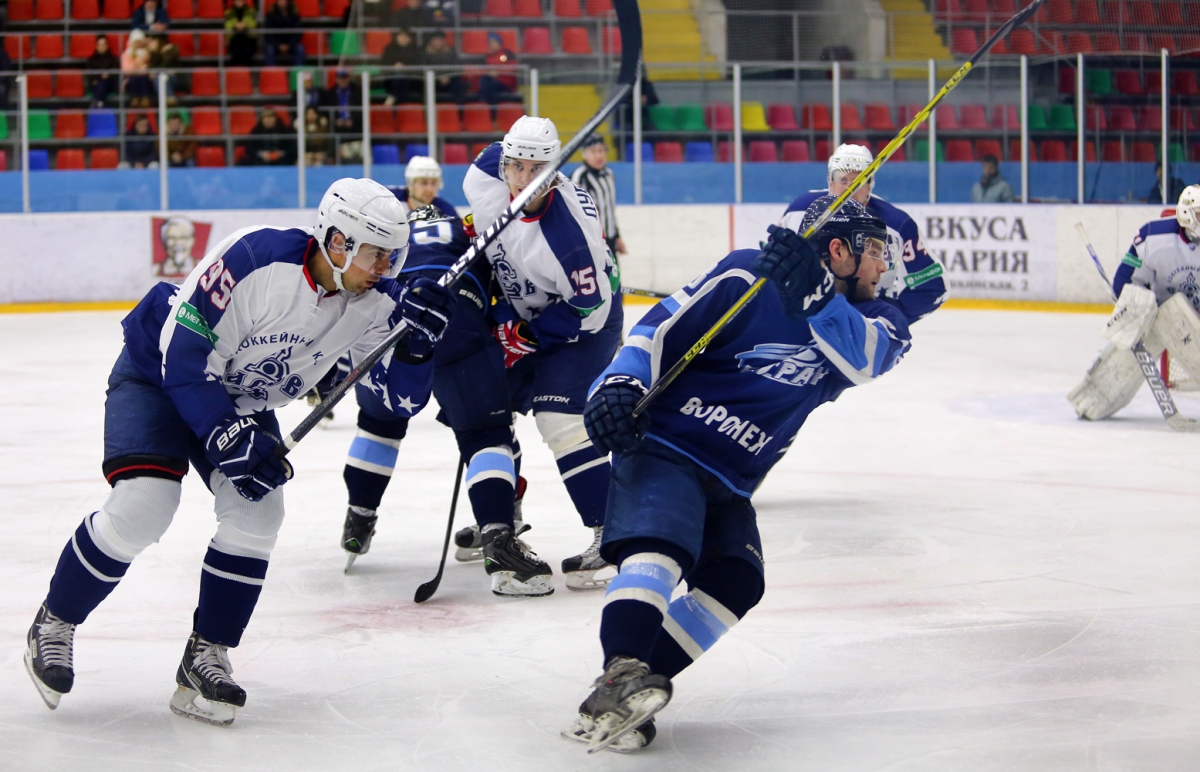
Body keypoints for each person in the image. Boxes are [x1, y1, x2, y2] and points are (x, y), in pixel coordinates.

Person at [22, 178, 456, 726]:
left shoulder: (375, 304)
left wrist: (417, 350)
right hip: (158, 373)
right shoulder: (256, 255)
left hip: (240, 396)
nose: (386, 269)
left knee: (259, 512)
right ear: (339, 241)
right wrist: (225, 435)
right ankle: (55, 620)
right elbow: (183, 356)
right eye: (377, 254)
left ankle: (206, 654)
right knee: (144, 506)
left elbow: (396, 401)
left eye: (395, 257)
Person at [564, 195, 911, 752]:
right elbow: (659, 329)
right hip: (666, 445)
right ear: (839, 249)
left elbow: (863, 359)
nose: (883, 266)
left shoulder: (881, 320)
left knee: (736, 581)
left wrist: (817, 298)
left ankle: (624, 692)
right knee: (660, 547)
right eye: (873, 250)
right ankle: (622, 673)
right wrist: (617, 386)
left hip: (730, 478)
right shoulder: (746, 275)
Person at [463, 116, 623, 590]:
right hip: (524, 308)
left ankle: (614, 537)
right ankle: (502, 521)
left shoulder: (570, 239)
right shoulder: (483, 175)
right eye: (515, 166)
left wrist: (528, 336)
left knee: (559, 419)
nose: (522, 179)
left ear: (553, 173)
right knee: (486, 408)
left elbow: (590, 310)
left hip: (580, 322)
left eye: (536, 169)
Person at [1068, 185, 1200, 420]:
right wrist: (1132, 304)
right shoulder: (1153, 237)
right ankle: (1096, 395)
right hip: (1159, 316)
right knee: (1125, 351)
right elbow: (1124, 279)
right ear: (1187, 213)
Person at [780, 143, 947, 326]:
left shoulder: (897, 225)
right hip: (805, 320)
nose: (850, 189)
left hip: (862, 326)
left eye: (859, 181)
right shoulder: (799, 211)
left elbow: (933, 287)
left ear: (870, 186)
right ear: (830, 182)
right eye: (843, 180)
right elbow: (775, 268)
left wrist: (885, 318)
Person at [569, 135, 624, 265]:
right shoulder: (579, 177)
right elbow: (574, 213)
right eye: (593, 152)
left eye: (601, 150)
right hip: (590, 242)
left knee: (615, 281)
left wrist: (616, 236)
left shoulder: (609, 173)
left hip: (609, 240)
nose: (598, 155)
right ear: (584, 155)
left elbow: (608, 209)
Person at [381, 29, 422, 106]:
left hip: (412, 78)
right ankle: (404, 105)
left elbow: (418, 64)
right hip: (391, 77)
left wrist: (405, 67)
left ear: (410, 38)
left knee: (401, 75)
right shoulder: (389, 48)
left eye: (406, 36)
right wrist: (393, 66)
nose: (403, 38)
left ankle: (393, 96)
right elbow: (384, 63)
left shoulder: (415, 49)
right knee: (399, 75)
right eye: (401, 36)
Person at [423, 32, 467, 104]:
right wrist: (439, 76)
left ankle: (460, 111)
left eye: (441, 40)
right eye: (437, 40)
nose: (439, 42)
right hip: (434, 81)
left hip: (449, 80)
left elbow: (458, 68)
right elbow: (424, 69)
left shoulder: (451, 52)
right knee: (425, 85)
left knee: (460, 85)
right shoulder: (426, 54)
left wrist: (448, 76)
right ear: (432, 41)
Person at [478, 33, 518, 107]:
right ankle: (487, 107)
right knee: (483, 81)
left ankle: (489, 107)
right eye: (489, 42)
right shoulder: (487, 56)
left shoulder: (507, 53)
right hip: (492, 81)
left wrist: (498, 73)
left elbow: (512, 67)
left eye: (493, 42)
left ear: (499, 43)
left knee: (488, 87)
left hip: (505, 81)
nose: (490, 44)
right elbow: (483, 70)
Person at [319, 68, 363, 135]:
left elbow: (360, 108)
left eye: (345, 78)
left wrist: (353, 120)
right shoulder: (330, 93)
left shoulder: (357, 92)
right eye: (340, 78)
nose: (343, 80)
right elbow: (326, 110)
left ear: (348, 79)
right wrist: (335, 120)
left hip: (354, 124)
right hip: (337, 125)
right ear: (336, 79)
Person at [263, 0, 305, 67]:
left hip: (291, 44)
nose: (282, 2)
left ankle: (298, 71)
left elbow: (298, 33)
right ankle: (271, 73)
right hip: (275, 44)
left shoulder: (294, 15)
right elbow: (269, 34)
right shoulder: (270, 15)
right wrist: (278, 45)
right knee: (269, 50)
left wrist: (289, 45)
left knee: (300, 49)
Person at [121, 31, 155, 108]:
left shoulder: (147, 53)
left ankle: (145, 98)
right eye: (136, 42)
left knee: (143, 78)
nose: (138, 44)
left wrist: (138, 69)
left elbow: (148, 68)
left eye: (140, 41)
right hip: (131, 80)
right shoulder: (126, 54)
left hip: (145, 79)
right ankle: (134, 98)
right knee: (134, 79)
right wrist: (139, 62)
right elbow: (127, 70)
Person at [86, 35, 120, 108]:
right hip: (95, 84)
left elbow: (115, 72)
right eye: (100, 45)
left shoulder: (113, 59)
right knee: (100, 84)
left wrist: (107, 75)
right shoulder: (91, 60)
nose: (101, 47)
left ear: (107, 46)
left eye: (103, 45)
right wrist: (101, 76)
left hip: (110, 84)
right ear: (96, 46)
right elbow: (89, 74)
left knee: (102, 83)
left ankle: (99, 104)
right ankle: (101, 104)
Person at [224, 0, 258, 67]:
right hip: (235, 40)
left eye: (241, 0)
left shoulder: (250, 11)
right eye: (237, 1)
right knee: (235, 51)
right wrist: (235, 25)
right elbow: (227, 25)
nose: (239, 2)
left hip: (248, 39)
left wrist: (245, 24)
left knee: (247, 51)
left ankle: (247, 73)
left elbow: (253, 23)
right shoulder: (229, 13)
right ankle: (236, 73)